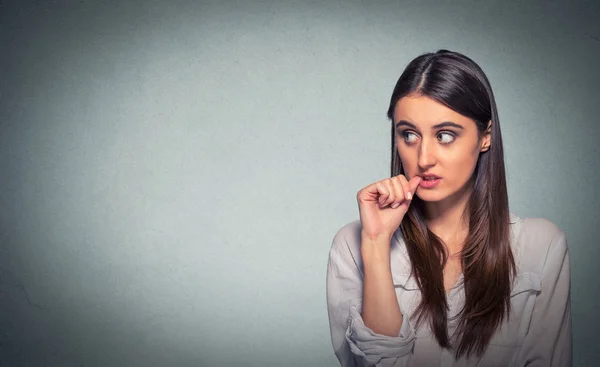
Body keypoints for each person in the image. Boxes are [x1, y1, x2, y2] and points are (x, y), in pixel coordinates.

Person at [325, 50, 572, 366]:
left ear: (486, 136)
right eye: (409, 134)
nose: (424, 157)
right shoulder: (354, 243)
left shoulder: (542, 246)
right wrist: (375, 244)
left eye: (444, 135)